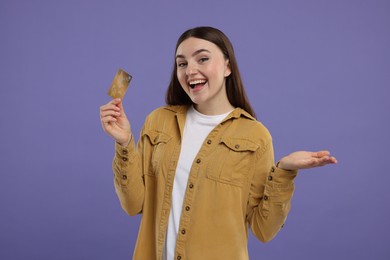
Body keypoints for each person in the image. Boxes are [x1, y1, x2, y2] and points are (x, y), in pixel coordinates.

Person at [99, 26, 337, 260]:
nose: (190, 70)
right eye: (182, 63)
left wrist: (285, 171)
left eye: (202, 59)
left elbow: (264, 229)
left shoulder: (255, 136)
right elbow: (133, 204)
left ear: (227, 67)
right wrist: (124, 143)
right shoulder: (158, 122)